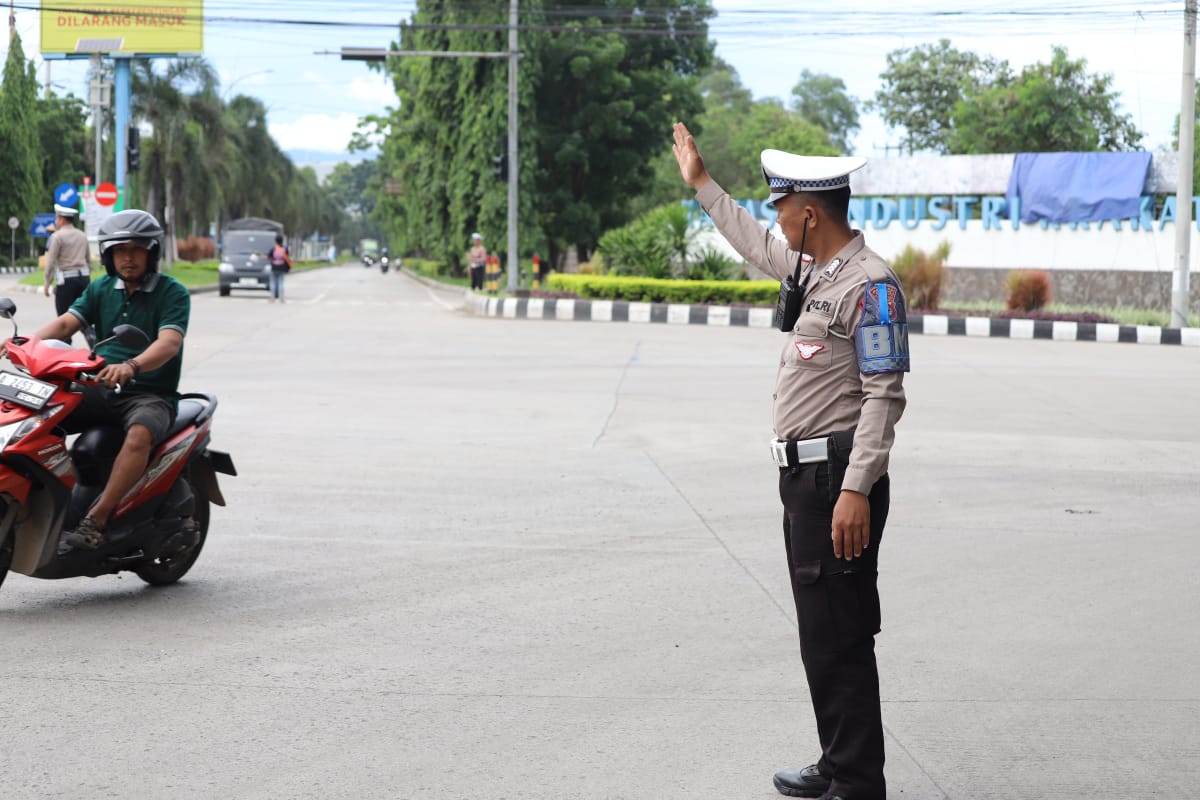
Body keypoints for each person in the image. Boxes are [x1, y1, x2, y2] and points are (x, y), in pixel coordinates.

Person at [671, 122, 909, 800]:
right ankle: (838, 763)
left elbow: (884, 394)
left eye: (781, 207)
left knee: (842, 634)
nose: (774, 217)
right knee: (820, 634)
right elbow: (753, 242)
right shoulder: (815, 272)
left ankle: (857, 783)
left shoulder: (872, 286)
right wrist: (702, 186)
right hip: (806, 480)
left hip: (837, 481)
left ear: (809, 213)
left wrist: (856, 488)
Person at [25, 209, 190, 552]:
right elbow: (66, 323)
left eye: (136, 249)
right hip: (100, 387)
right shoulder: (101, 288)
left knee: (140, 434)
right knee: (38, 415)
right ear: (108, 255)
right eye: (120, 250)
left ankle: (95, 520)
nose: (128, 258)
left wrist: (132, 365)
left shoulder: (172, 292)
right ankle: (42, 501)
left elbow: (169, 343)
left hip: (150, 394)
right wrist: (25, 343)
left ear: (152, 252)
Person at [42, 203, 92, 320]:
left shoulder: (57, 236)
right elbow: (88, 259)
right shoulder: (82, 235)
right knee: (84, 316)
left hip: (67, 281)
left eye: (57, 219)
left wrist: (47, 282)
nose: (56, 222)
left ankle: (67, 334)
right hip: (84, 279)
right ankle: (88, 331)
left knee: (64, 318)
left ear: (62, 220)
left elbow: (51, 261)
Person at [268, 233, 291, 303]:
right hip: (282, 268)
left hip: (274, 268)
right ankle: (282, 298)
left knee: (273, 283)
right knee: (281, 283)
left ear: (275, 241)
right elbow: (287, 258)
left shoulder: (273, 249)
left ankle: (272, 298)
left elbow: (269, 257)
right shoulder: (285, 249)